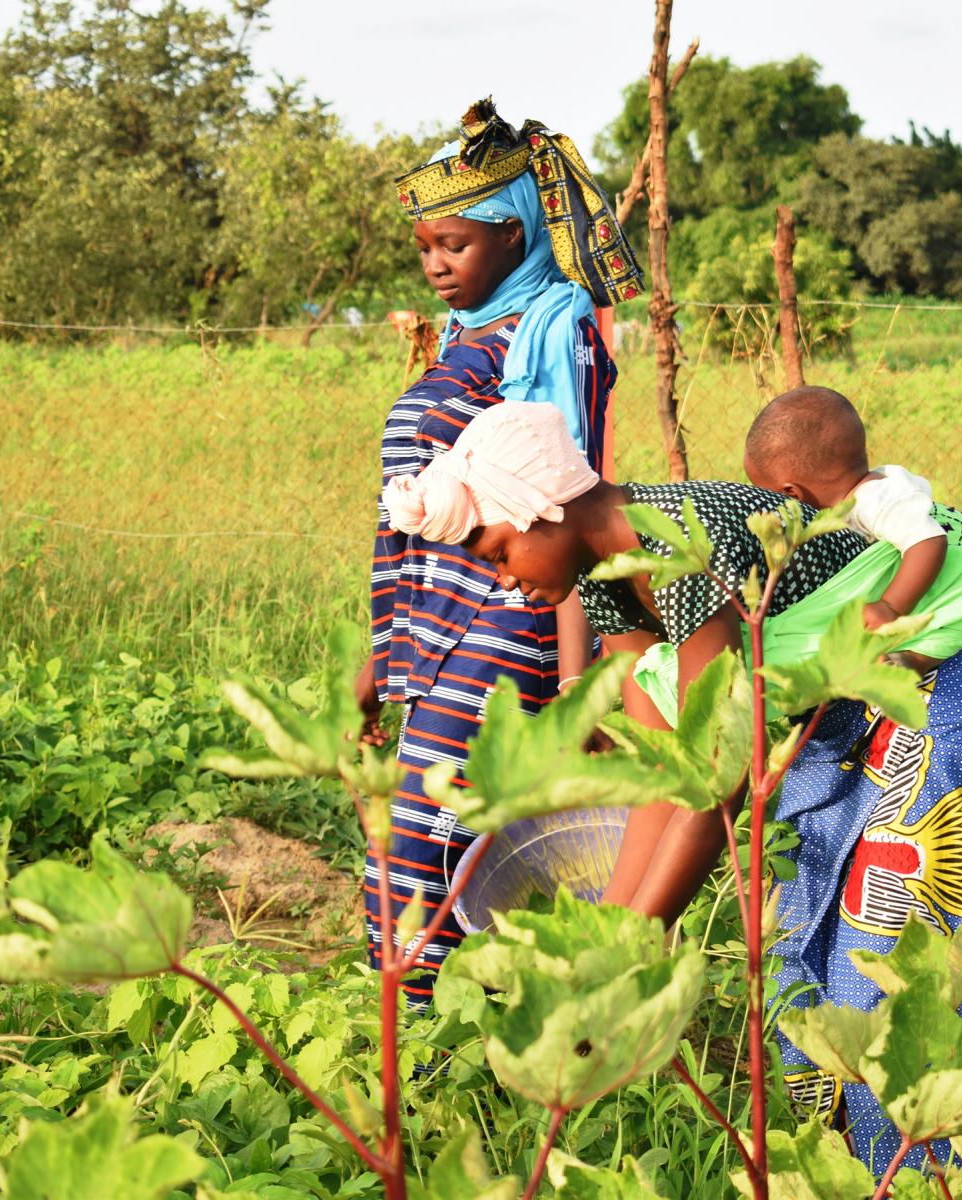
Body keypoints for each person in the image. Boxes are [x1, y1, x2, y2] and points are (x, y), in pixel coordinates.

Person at [384, 402, 962, 1180]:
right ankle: (864, 1179)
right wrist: (609, 942)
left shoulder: (674, 547)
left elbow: (718, 773)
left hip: (918, 702)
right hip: (838, 727)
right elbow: (667, 764)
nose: (501, 577)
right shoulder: (608, 575)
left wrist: (625, 963)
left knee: (904, 974)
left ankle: (956, 1183)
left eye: (495, 552)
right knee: (810, 974)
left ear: (539, 509)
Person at [361, 99, 642, 1001]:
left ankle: (423, 1043)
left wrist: (573, 688)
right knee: (429, 847)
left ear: (516, 234)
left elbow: (563, 509)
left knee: (428, 843)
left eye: (458, 243)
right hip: (433, 622)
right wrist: (383, 654)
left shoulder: (548, 334)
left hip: (506, 615)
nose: (437, 264)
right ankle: (436, 1037)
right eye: (426, 247)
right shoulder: (461, 342)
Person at [743, 385, 962, 673]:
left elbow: (929, 541)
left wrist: (890, 606)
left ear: (793, 494)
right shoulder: (865, 495)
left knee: (947, 620)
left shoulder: (875, 500)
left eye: (767, 494)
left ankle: (914, 662)